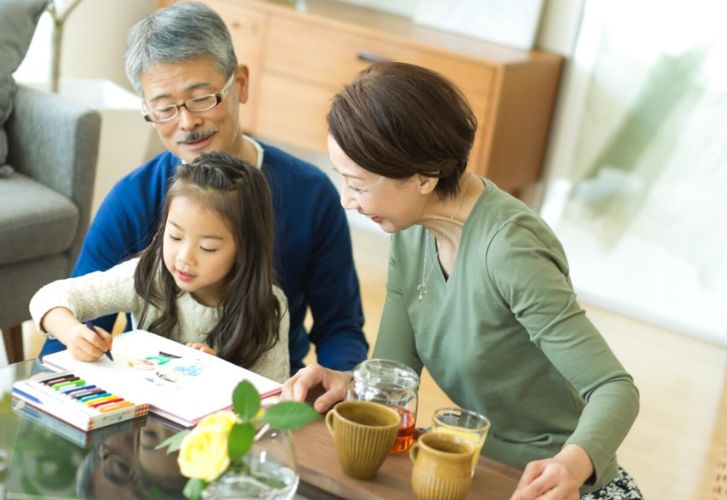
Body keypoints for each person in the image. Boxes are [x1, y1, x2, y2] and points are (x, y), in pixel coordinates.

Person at [283, 62, 642, 499]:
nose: (346, 200)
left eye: (357, 184)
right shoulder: (413, 229)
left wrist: (570, 464)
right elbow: (398, 369)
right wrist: (352, 384)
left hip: (553, 485)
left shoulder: (510, 251)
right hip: (470, 464)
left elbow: (614, 389)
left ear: (423, 177)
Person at [38, 1, 368, 373]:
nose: (188, 122)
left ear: (240, 84)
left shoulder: (311, 195)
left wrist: (329, 394)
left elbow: (341, 330)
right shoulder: (132, 199)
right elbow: (70, 332)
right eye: (164, 108)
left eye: (201, 98)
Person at [30, 152, 289, 381]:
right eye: (175, 237)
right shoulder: (147, 276)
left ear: (246, 248)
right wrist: (72, 332)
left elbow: (272, 403)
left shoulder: (268, 306)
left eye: (208, 247)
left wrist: (220, 375)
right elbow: (48, 297)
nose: (184, 258)